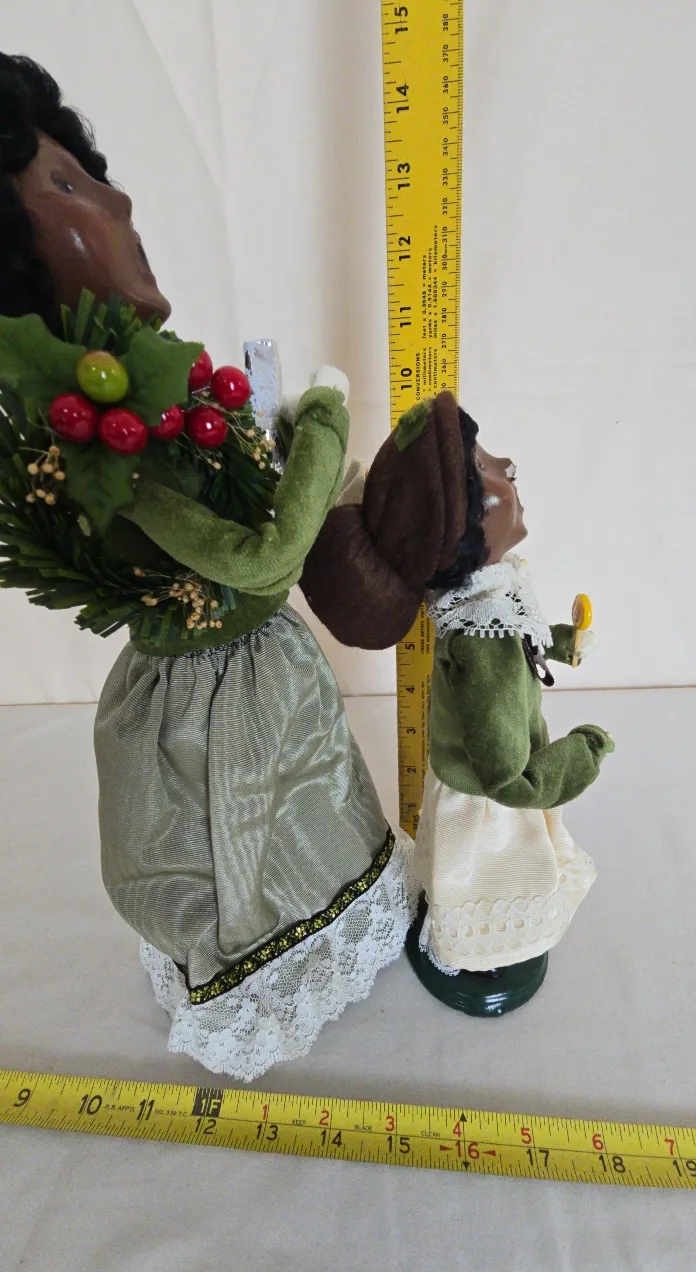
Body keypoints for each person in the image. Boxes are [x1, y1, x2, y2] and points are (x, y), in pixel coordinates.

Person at [0, 53, 415, 1078]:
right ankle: (264, 976)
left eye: (90, 175)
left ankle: (336, 919)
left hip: (259, 667)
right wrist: (326, 416)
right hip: (210, 705)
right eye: (66, 185)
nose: (118, 202)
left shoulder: (161, 399)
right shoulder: (102, 442)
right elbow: (266, 559)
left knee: (314, 801)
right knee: (241, 838)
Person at [300, 391, 615, 1014]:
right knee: (492, 884)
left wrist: (560, 641)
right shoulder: (480, 633)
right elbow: (510, 778)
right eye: (486, 469)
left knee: (464, 879)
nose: (509, 466)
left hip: (466, 784)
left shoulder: (485, 599)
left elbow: (517, 640)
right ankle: (477, 954)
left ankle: (471, 942)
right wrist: (584, 752)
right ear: (461, 536)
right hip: (488, 809)